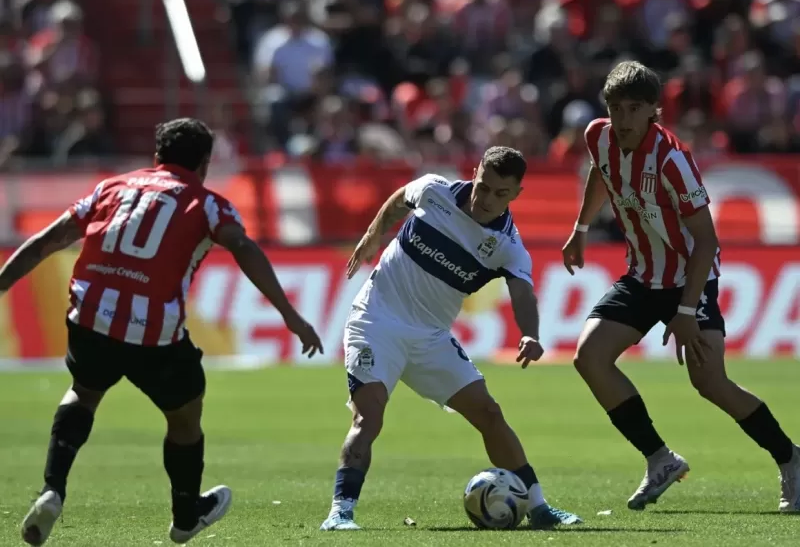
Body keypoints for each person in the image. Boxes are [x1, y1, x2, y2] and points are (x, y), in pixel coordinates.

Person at [1, 118, 323, 546]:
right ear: (204, 163)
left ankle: (52, 489)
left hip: (90, 315)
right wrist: (290, 315)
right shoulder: (209, 204)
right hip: (152, 329)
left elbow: (50, 239)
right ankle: (186, 514)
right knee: (186, 415)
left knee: (83, 391)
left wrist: (3, 281)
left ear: (156, 156)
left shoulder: (110, 187)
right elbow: (242, 246)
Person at [563, 61, 800, 512]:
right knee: (589, 357)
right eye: (616, 108)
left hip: (690, 278)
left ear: (654, 111)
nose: (623, 119)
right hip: (641, 275)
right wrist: (581, 227)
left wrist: (687, 312)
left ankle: (791, 459)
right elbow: (601, 171)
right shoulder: (599, 135)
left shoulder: (671, 159)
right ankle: (660, 459)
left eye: (634, 109)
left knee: (709, 382)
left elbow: (707, 241)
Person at [319, 146, 582, 531]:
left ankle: (539, 507)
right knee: (369, 418)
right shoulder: (433, 190)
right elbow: (398, 200)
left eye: (500, 193)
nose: (487, 199)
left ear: (516, 195)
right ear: (474, 173)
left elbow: (522, 292)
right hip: (376, 320)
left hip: (431, 339)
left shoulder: (508, 247)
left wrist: (530, 334)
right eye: (484, 187)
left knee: (490, 414)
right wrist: (374, 236)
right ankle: (340, 512)